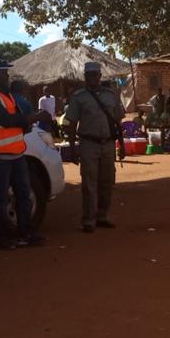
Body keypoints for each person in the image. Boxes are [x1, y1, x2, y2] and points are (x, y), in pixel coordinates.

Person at [0, 55, 51, 250]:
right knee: (0, 199)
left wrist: (26, 121)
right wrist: (33, 117)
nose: (7, 75)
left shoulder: (3, 93)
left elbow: (14, 119)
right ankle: (3, 237)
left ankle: (26, 232)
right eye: (3, 72)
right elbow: (6, 120)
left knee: (23, 194)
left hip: (16, 153)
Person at [64, 61, 125, 233]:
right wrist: (72, 147)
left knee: (107, 181)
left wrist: (121, 145)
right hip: (88, 144)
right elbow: (71, 123)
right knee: (89, 183)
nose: (92, 78)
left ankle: (102, 216)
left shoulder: (111, 96)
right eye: (89, 75)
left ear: (100, 76)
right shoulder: (79, 97)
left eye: (95, 75)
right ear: (85, 77)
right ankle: (88, 220)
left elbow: (118, 121)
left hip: (108, 144)